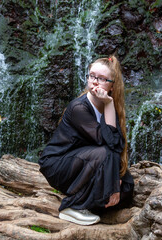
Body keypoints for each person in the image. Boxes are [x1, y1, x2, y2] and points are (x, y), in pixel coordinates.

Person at [38, 55, 134, 225]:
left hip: (86, 162)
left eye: (102, 79)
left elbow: (117, 145)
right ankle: (71, 207)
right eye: (92, 76)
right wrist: (111, 178)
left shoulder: (110, 107)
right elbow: (107, 144)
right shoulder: (79, 107)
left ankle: (90, 205)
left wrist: (109, 105)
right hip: (59, 164)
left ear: (112, 85)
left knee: (126, 185)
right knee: (104, 154)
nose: (95, 82)